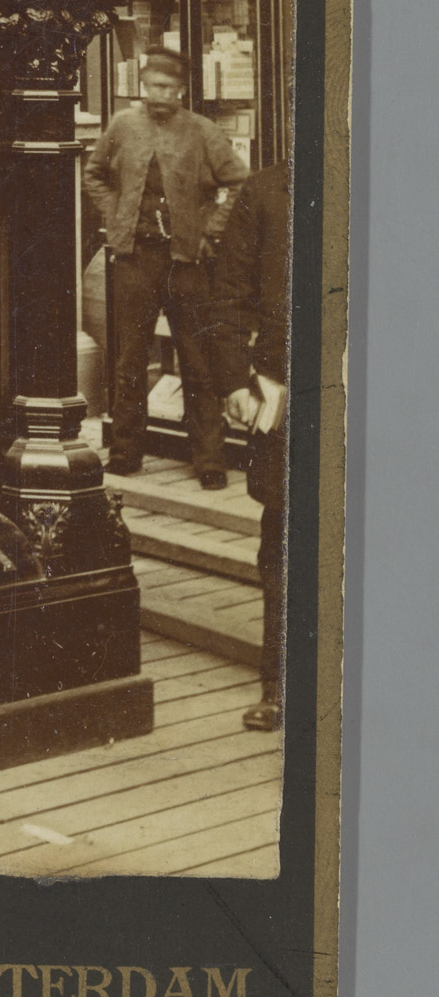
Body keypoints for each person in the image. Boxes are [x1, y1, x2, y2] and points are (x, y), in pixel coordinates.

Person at [85, 45, 247, 484]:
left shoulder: (202, 131)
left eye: (171, 87)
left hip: (187, 263)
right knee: (130, 360)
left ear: (182, 91)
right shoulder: (123, 125)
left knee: (198, 361)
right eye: (156, 85)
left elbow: (239, 183)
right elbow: (94, 174)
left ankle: (209, 461)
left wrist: (210, 230)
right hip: (135, 259)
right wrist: (116, 214)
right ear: (143, 85)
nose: (162, 94)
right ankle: (125, 453)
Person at [211, 161, 291, 732]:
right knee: (283, 537)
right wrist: (235, 381)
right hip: (285, 391)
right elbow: (229, 296)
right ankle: (280, 686)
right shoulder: (265, 192)